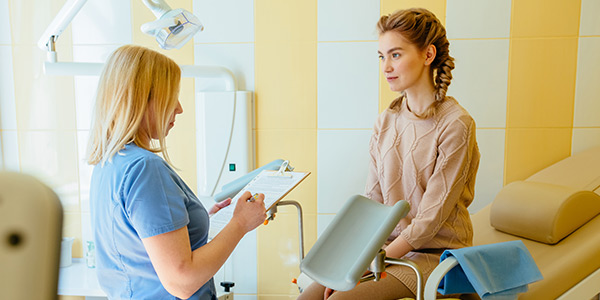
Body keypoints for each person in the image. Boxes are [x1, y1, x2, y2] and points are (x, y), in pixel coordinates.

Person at [298, 8, 480, 300]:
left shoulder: (456, 125)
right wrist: (357, 260)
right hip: (386, 251)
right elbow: (373, 203)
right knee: (307, 297)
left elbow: (430, 221)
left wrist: (365, 267)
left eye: (395, 55)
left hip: (436, 256)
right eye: (382, 56)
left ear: (428, 54)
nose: (386, 67)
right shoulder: (386, 121)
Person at [87, 45, 267, 300]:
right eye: (171, 96)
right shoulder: (144, 168)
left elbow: (142, 245)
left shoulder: (110, 162)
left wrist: (197, 222)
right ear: (142, 99)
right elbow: (181, 282)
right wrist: (240, 224)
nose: (179, 108)